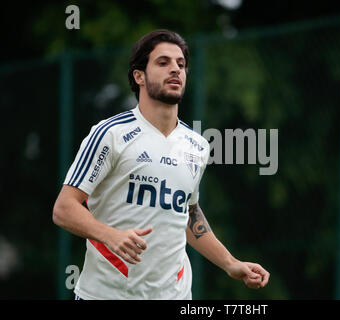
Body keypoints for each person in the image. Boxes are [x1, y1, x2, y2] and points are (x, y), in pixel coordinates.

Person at [52, 29, 270, 300]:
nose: (175, 70)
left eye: (181, 64)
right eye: (163, 62)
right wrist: (109, 235)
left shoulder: (197, 146)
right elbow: (64, 208)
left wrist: (230, 263)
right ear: (139, 76)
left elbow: (188, 214)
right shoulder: (110, 134)